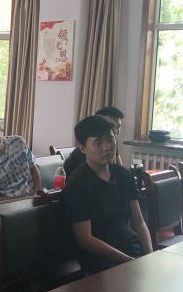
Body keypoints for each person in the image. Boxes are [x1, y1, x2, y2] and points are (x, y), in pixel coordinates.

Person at [63, 115, 152, 275]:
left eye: (110, 140)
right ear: (82, 148)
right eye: (98, 142)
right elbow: (85, 239)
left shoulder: (123, 175)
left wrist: (150, 258)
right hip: (101, 264)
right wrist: (129, 262)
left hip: (132, 253)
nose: (106, 147)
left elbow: (139, 222)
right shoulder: (78, 184)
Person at [64, 106, 125, 177]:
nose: (115, 129)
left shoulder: (112, 141)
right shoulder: (89, 150)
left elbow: (119, 167)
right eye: (109, 123)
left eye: (118, 126)